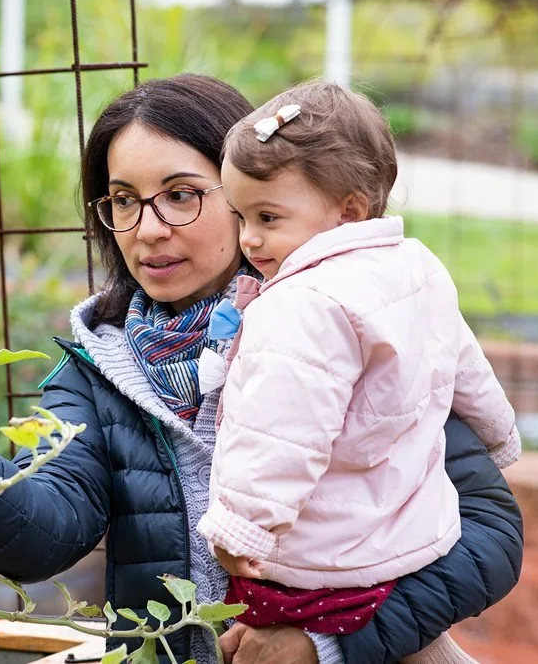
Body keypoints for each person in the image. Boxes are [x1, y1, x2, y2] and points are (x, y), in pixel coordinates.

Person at [0, 75, 523, 663]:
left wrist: (322, 644)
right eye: (122, 201)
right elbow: (37, 536)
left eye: (182, 196)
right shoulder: (102, 367)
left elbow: (488, 535)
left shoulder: (353, 319)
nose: (147, 229)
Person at [194, 80, 521, 662]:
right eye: (241, 215)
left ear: (349, 210)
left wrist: (242, 525)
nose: (249, 237)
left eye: (268, 216)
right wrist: (499, 435)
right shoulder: (415, 266)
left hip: (324, 557)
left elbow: (281, 430)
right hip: (412, 534)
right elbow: (465, 364)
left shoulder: (303, 304)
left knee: (250, 634)